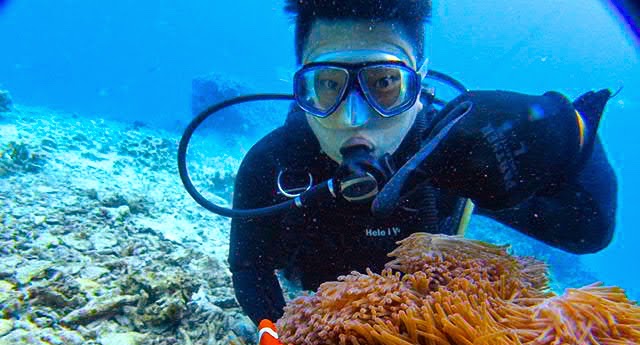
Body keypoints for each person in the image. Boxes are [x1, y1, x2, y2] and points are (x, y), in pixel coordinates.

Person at [228, 0, 617, 326]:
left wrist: (571, 137)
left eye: (384, 82)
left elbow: (587, 232)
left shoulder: (460, 154)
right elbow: (249, 267)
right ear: (301, 86)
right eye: (329, 84)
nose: (353, 117)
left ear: (418, 81)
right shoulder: (275, 165)